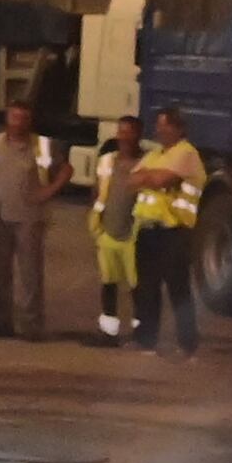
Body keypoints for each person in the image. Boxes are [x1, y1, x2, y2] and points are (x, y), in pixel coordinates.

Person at [128, 107, 208, 357]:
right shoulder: (155, 154)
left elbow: (160, 180)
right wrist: (153, 176)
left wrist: (150, 177)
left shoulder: (186, 153)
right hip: (148, 229)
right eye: (158, 125)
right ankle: (147, 341)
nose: (159, 130)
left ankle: (187, 344)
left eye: (164, 126)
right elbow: (131, 180)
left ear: (179, 128)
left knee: (178, 288)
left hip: (175, 230)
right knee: (146, 288)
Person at [0, 100, 63, 338]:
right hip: (0, 218)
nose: (18, 122)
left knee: (30, 274)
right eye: (14, 117)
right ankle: (1, 322)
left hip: (30, 219)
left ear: (30, 120)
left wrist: (49, 191)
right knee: (0, 272)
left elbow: (65, 169)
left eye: (23, 118)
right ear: (7, 118)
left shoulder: (43, 145)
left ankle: (32, 325)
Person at [88, 119, 141, 343]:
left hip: (134, 234)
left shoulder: (147, 164)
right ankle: (109, 331)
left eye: (128, 132)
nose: (123, 137)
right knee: (108, 282)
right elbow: (97, 190)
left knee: (137, 285)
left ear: (138, 135)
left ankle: (142, 331)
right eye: (121, 132)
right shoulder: (107, 161)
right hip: (107, 231)